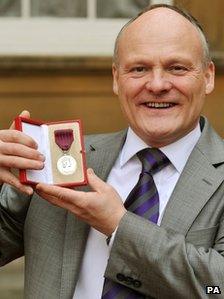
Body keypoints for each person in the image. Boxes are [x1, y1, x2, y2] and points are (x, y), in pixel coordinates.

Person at [0, 4, 223, 299]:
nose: (157, 84)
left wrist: (119, 226)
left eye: (177, 68)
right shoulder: (60, 160)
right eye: (139, 69)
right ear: (116, 79)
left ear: (207, 76)